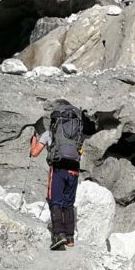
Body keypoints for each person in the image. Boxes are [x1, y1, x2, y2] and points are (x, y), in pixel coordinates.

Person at [30, 101, 85, 251]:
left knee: (55, 201)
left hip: (58, 170)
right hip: (74, 171)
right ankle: (70, 237)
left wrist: (33, 140)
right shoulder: (76, 135)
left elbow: (34, 153)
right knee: (68, 203)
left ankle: (58, 235)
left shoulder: (49, 134)